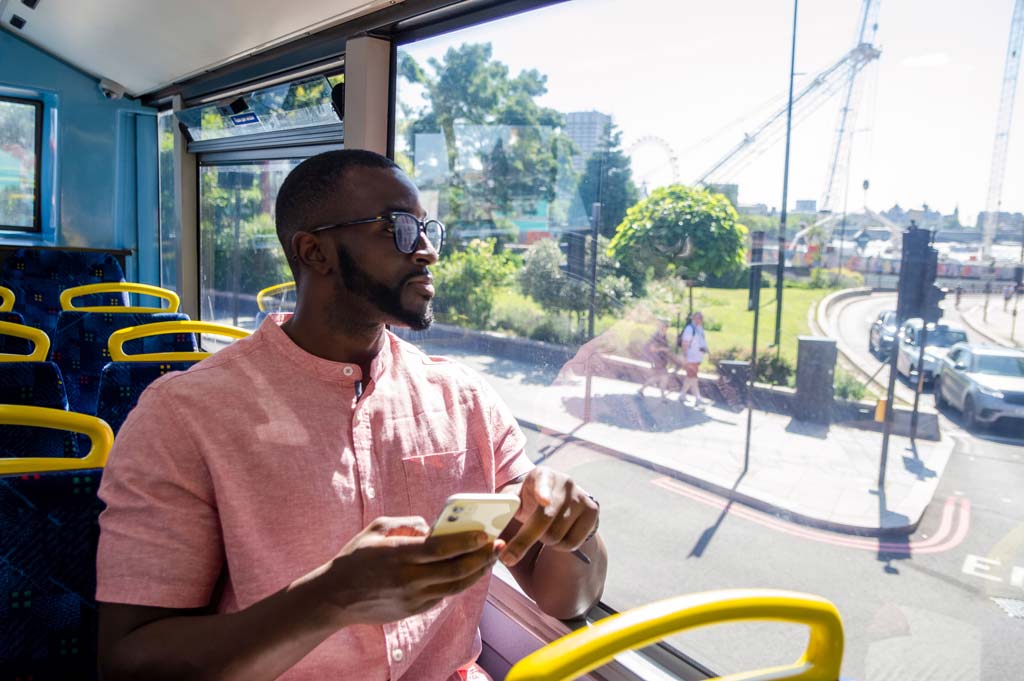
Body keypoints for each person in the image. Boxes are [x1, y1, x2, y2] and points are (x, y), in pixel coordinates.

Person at [96, 150, 607, 681]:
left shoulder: (466, 398)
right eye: (399, 229)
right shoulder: (185, 415)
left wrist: (577, 526)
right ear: (315, 252)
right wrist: (329, 600)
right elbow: (131, 663)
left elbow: (564, 599)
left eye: (428, 228)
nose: (427, 251)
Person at [637, 318, 679, 399]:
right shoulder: (656, 336)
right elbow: (652, 349)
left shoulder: (663, 335)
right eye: (665, 326)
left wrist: (667, 353)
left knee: (658, 377)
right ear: (661, 326)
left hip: (661, 360)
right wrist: (663, 349)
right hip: (657, 360)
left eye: (667, 326)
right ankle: (662, 395)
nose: (667, 328)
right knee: (663, 377)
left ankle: (642, 389)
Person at [678, 311, 710, 407]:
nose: (700, 320)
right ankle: (698, 398)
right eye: (698, 318)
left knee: (690, 377)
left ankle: (682, 395)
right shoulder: (689, 329)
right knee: (693, 377)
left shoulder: (699, 329)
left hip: (696, 357)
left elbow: (701, 342)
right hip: (690, 358)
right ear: (694, 319)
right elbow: (685, 343)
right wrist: (685, 357)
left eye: (701, 318)